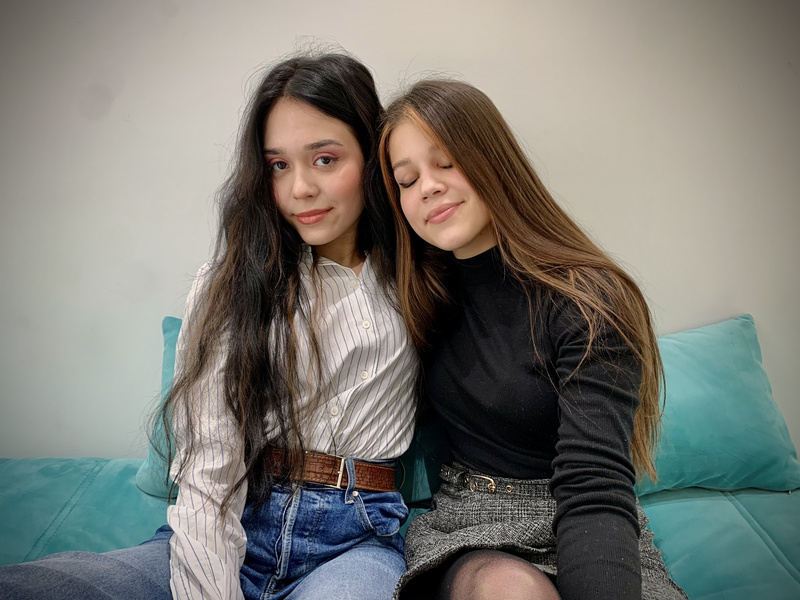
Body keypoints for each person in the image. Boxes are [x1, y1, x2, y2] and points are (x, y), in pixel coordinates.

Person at [2, 52, 418, 600]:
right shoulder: (232, 283)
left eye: (325, 159)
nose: (299, 189)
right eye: (278, 165)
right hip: (234, 520)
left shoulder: (420, 275)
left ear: (371, 155)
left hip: (356, 542)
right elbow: (209, 468)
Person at [378, 79, 688, 600]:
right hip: (473, 525)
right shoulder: (417, 298)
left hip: (586, 515)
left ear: (493, 160)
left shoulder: (589, 300)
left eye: (446, 162)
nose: (426, 187)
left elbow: (594, 486)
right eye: (406, 180)